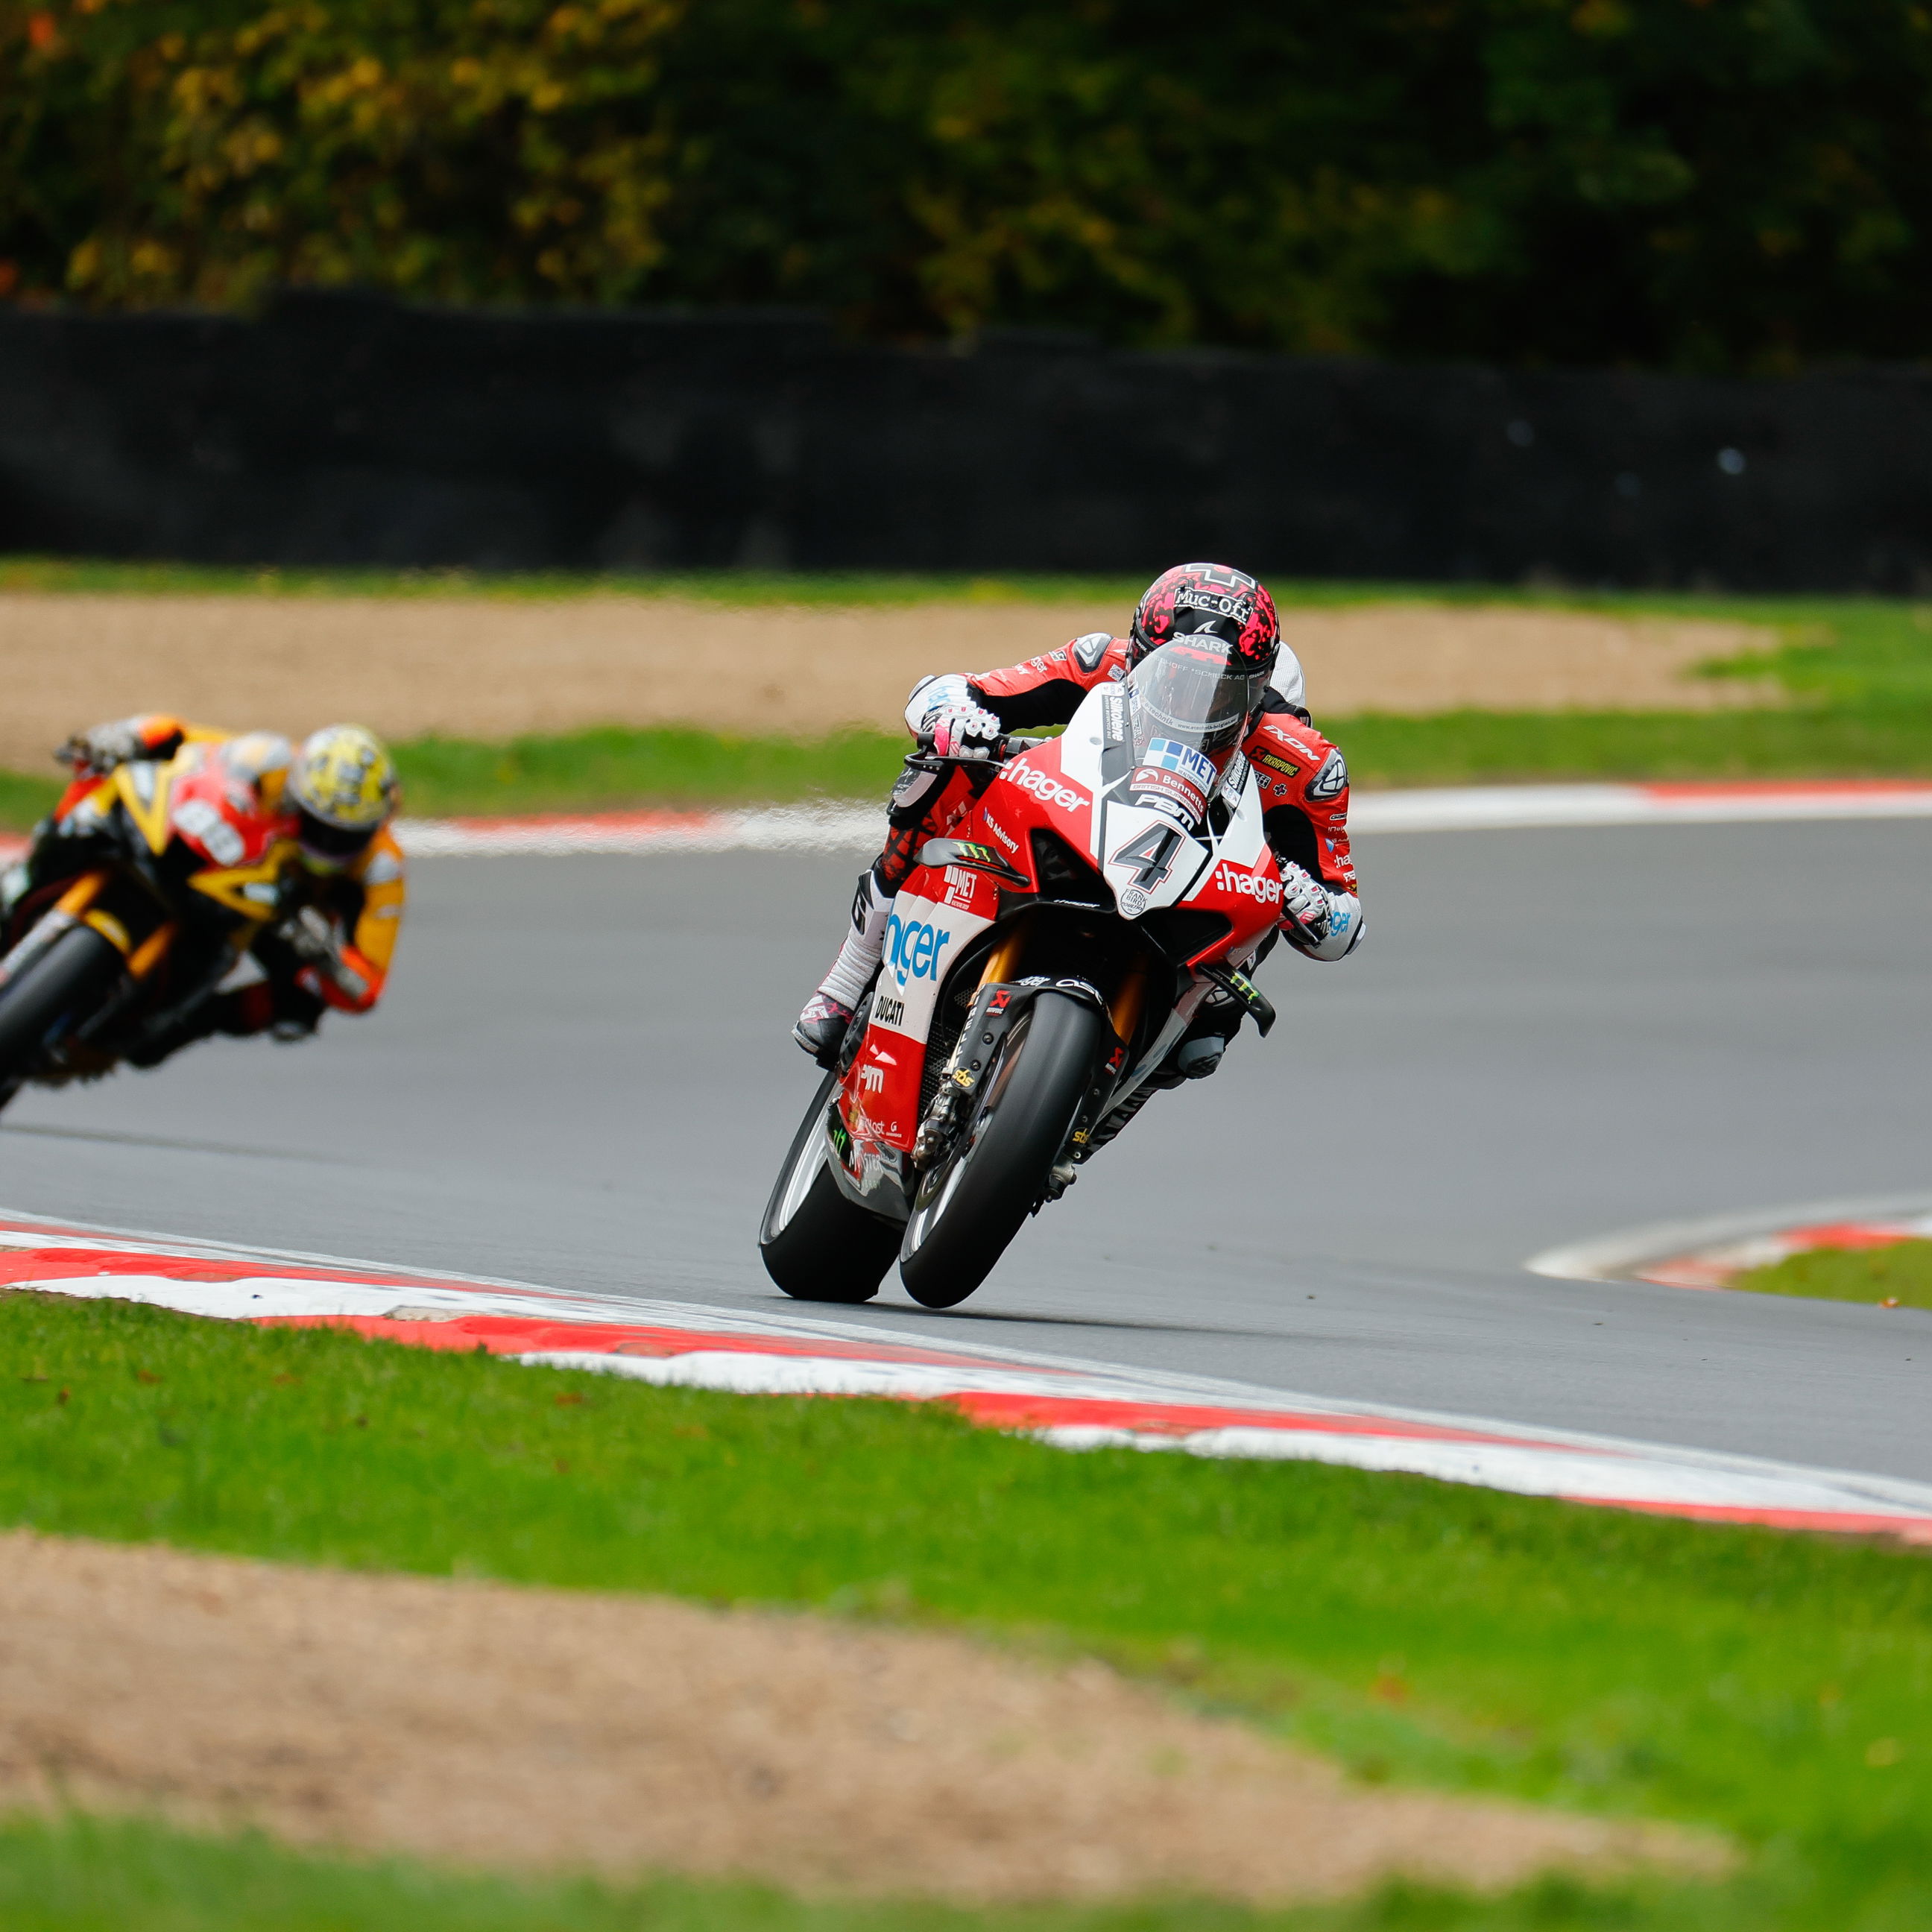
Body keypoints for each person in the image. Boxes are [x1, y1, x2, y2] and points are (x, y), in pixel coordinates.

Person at [795, 561, 1362, 1070]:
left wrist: (1308, 902)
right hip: (1085, 818)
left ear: (1257, 691)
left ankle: (1114, 1101)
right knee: (945, 766)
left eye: (1219, 690)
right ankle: (851, 972)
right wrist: (956, 718)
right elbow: (954, 690)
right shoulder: (1100, 661)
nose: (1191, 699)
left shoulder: (1304, 762)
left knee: (1213, 1020)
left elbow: (1344, 921)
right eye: (1172, 674)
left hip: (1194, 884)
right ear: (1138, 652)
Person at [10, 714, 405, 1066]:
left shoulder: (380, 869)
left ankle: (165, 1027)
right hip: (222, 864)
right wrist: (125, 738)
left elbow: (367, 986)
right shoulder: (269, 759)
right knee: (99, 788)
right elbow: (183, 736)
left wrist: (328, 958)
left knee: (297, 1006)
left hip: (277, 921)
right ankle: (28, 872)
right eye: (317, 825)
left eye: (343, 836)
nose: (328, 843)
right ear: (297, 796)